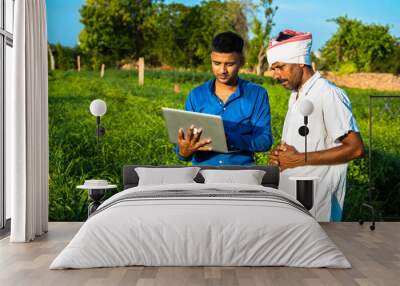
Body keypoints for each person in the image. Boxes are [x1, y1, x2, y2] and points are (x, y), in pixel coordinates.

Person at [266, 29, 365, 222]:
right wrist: (282, 155)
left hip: (319, 203)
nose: (275, 75)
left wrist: (298, 159)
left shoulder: (327, 94)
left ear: (300, 61)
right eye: (274, 69)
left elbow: (356, 148)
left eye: (280, 67)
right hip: (294, 198)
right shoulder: (296, 95)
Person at [176, 31, 273, 165]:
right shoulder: (196, 95)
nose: (222, 70)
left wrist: (231, 140)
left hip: (242, 175)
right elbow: (183, 153)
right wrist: (184, 151)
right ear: (211, 58)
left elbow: (265, 140)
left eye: (229, 64)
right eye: (216, 63)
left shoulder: (257, 94)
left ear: (241, 62)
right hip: (202, 176)